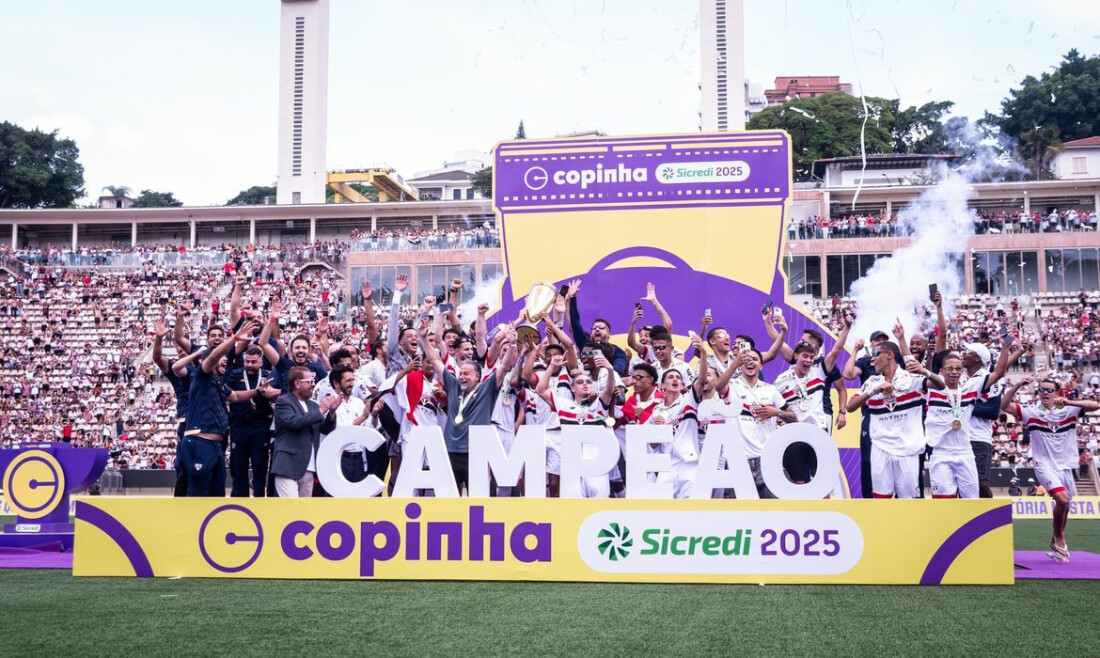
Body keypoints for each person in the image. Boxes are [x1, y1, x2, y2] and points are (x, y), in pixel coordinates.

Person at [1001, 376, 1100, 562]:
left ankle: (1056, 539)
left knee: (1065, 505)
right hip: (1044, 465)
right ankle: (1059, 539)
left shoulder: (1069, 409)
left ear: (1056, 393)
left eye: (1049, 390)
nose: (1045, 393)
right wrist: (1017, 385)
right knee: (1062, 500)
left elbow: (1095, 405)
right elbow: (1004, 405)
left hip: (1066, 466)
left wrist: (1069, 401)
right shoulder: (1031, 412)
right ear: (1038, 393)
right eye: (1041, 390)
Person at [419, 320, 518, 494]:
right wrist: (422, 339)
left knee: (477, 499)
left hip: (476, 453)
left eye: (466, 374)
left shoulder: (487, 389)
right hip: (450, 451)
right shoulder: (452, 385)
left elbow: (503, 367)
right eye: (460, 374)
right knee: (449, 497)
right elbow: (435, 360)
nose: (462, 377)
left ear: (478, 376)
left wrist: (512, 344)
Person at [179, 319, 259, 497]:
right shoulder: (202, 376)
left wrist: (258, 391)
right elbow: (214, 357)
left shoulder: (219, 383)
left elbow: (236, 396)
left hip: (216, 446)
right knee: (198, 496)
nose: (224, 363)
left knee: (217, 495)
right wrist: (233, 339)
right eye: (221, 360)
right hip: (199, 442)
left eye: (225, 361)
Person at [846, 340, 931, 499]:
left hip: (907, 449)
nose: (873, 359)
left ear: (890, 355)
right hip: (880, 448)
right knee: (881, 499)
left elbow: (940, 385)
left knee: (908, 500)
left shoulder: (911, 378)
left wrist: (925, 371)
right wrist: (872, 392)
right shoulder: (872, 381)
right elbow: (850, 407)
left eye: (877, 354)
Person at [271, 366, 339, 498]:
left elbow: (325, 429)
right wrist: (321, 410)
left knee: (303, 511)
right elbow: (295, 422)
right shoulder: (283, 402)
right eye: (309, 381)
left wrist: (331, 413)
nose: (313, 385)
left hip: (309, 465)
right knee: (291, 508)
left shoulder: (313, 405)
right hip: (287, 465)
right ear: (297, 383)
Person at [225, 346, 280, 497]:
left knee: (259, 467)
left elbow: (277, 397)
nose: (249, 365)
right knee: (239, 467)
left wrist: (272, 394)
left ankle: (259, 501)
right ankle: (239, 501)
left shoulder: (269, 376)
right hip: (239, 427)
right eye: (247, 361)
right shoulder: (235, 375)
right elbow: (226, 395)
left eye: (253, 362)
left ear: (261, 363)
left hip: (260, 428)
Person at [842, 329, 891, 498]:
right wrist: (855, 350)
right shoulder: (864, 361)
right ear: (871, 344)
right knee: (868, 461)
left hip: (894, 415)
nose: (880, 343)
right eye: (877, 341)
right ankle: (868, 501)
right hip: (870, 414)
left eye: (883, 341)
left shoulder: (895, 361)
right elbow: (847, 374)